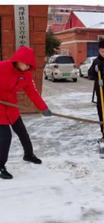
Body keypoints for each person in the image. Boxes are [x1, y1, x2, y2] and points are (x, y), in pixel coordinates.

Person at [0, 46, 52, 180]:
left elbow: (32, 93)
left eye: (29, 65)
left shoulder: (26, 74)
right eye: (25, 64)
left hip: (11, 108)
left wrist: (43, 108)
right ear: (18, 60)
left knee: (22, 132)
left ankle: (28, 155)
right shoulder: (2, 67)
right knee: (5, 137)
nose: (27, 67)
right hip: (0, 108)